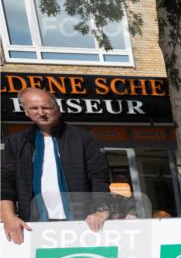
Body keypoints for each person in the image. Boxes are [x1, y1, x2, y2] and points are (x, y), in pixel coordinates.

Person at [1, 88, 111, 244]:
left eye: (46, 107)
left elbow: (99, 176)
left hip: (83, 222)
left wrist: (101, 211)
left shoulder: (83, 137)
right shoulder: (16, 142)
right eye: (34, 108)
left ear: (56, 108)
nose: (41, 112)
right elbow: (6, 182)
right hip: (34, 223)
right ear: (26, 112)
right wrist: (8, 217)